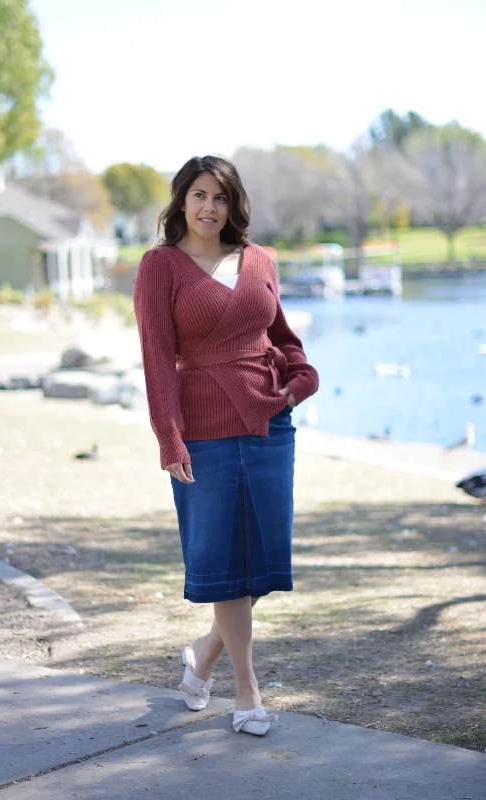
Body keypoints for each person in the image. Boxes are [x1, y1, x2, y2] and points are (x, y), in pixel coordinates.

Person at [133, 155, 319, 736]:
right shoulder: (160, 266)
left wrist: (299, 381)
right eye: (198, 195)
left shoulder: (260, 259)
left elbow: (281, 337)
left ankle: (203, 656)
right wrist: (169, 436)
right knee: (224, 563)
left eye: (220, 197)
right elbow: (157, 356)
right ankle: (247, 691)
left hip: (268, 424)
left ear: (233, 204)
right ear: (180, 202)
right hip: (203, 429)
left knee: (260, 563)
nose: (209, 207)